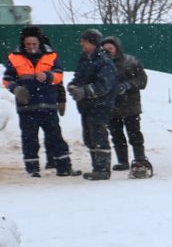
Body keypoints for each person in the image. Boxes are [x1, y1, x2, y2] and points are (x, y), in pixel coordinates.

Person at [5, 25, 75, 177]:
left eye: (34, 44)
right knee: (29, 139)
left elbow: (59, 76)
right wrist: (16, 89)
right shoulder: (14, 57)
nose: (31, 47)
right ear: (24, 44)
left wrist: (49, 76)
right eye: (28, 44)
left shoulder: (51, 56)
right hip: (26, 107)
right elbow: (7, 79)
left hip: (48, 105)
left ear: (39, 43)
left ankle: (64, 167)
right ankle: (32, 169)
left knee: (55, 137)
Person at [68, 30, 120, 180]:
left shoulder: (104, 61)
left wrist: (84, 91)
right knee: (89, 137)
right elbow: (79, 76)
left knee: (99, 136)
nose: (81, 44)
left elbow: (104, 86)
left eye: (84, 41)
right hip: (86, 106)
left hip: (101, 105)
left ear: (91, 42)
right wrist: (73, 86)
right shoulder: (84, 58)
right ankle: (96, 166)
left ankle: (103, 169)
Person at [103, 36, 151, 176]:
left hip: (131, 105)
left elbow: (143, 80)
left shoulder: (130, 61)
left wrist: (128, 85)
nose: (108, 52)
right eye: (105, 49)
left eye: (110, 48)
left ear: (117, 48)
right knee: (116, 134)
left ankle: (139, 158)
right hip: (111, 106)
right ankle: (122, 161)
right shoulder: (101, 64)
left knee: (134, 132)